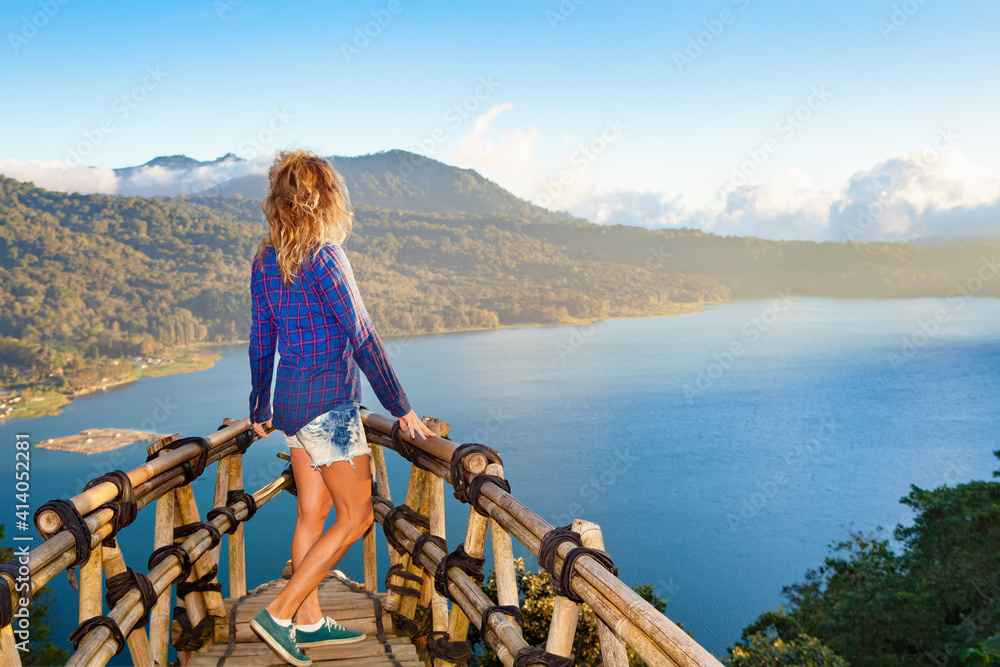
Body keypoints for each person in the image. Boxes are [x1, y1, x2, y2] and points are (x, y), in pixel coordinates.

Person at [247, 149, 434, 666]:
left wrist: (259, 403)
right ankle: (280, 613)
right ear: (325, 198)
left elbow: (262, 344)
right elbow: (363, 336)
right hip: (328, 408)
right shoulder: (326, 257)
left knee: (314, 510)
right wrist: (401, 406)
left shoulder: (265, 261)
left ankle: (307, 621)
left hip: (289, 405)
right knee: (355, 517)